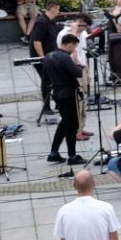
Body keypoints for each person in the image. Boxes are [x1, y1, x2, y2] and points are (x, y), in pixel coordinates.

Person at [44, 33, 86, 164]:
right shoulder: (64, 57)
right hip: (69, 94)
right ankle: (72, 156)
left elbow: (45, 78)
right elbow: (78, 72)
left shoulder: (48, 56)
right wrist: (78, 62)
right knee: (71, 126)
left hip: (57, 94)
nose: (74, 50)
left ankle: (54, 152)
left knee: (64, 123)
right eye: (74, 48)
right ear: (69, 44)